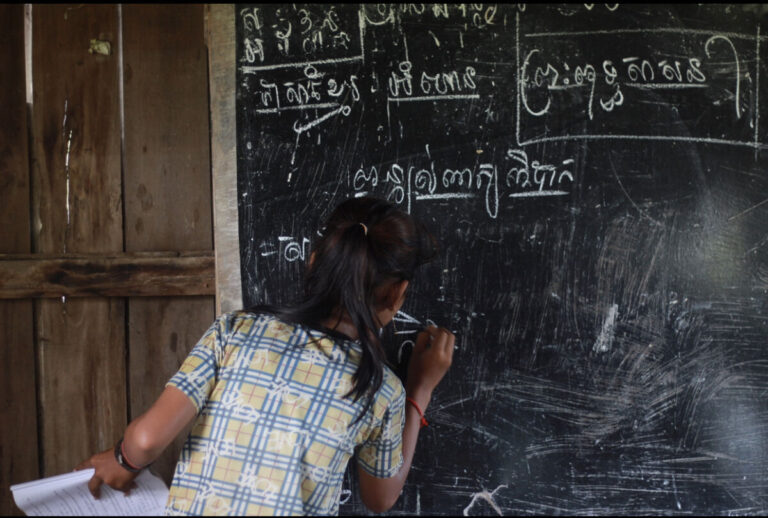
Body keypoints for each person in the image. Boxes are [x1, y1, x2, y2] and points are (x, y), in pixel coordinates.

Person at [76, 196, 455, 515]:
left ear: (313, 261)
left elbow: (145, 440)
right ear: (396, 295)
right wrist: (420, 390)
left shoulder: (235, 330)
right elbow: (380, 498)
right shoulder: (380, 390)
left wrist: (122, 463)